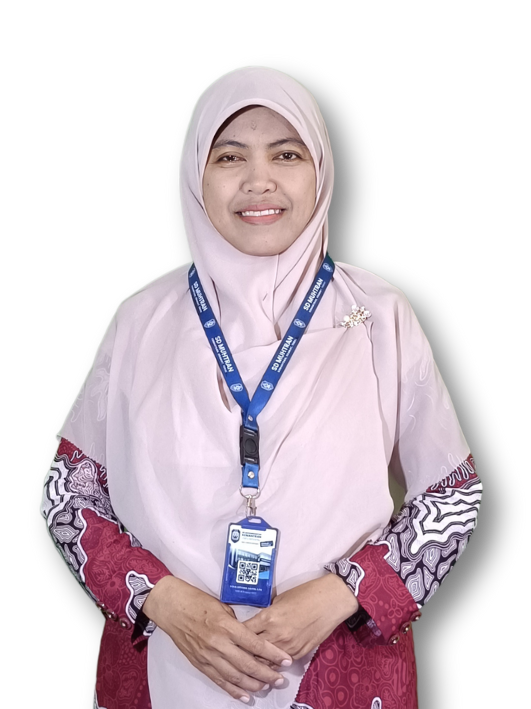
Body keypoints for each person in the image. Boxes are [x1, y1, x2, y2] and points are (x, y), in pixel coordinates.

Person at [40, 65, 482, 709]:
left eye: (286, 154)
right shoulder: (141, 319)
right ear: (197, 175)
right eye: (229, 157)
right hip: (166, 662)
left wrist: (344, 591)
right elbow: (67, 497)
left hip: (339, 665)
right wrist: (162, 598)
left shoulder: (377, 314)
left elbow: (453, 496)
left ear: (320, 170)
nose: (258, 180)